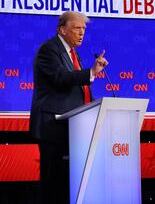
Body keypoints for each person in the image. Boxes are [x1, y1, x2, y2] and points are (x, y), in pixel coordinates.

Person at [29, 11, 108, 204]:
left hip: (71, 127)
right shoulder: (49, 50)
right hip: (53, 127)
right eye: (76, 28)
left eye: (83, 29)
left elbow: (78, 89)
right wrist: (91, 72)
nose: (81, 33)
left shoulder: (73, 53)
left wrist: (95, 106)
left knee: (66, 184)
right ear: (62, 30)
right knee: (52, 184)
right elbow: (61, 78)